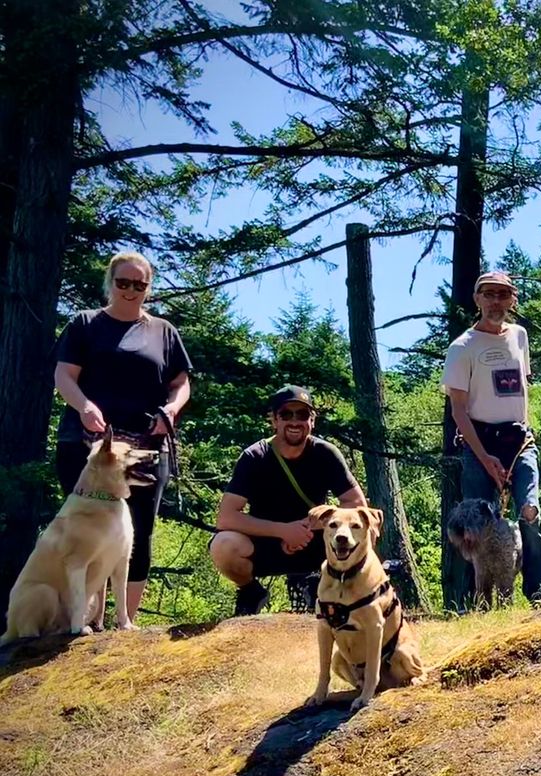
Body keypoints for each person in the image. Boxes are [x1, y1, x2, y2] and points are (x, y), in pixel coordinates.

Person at [53, 250, 192, 628]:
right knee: (85, 528)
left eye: (140, 284)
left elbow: (181, 383)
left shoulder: (164, 332)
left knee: (138, 529)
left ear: (148, 288)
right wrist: (84, 406)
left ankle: (124, 623)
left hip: (145, 449)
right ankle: (85, 618)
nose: (131, 290)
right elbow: (64, 376)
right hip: (86, 446)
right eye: (124, 282)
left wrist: (171, 410)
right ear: (110, 283)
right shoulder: (85, 324)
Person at [441, 271, 541, 607]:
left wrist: (525, 430)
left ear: (512, 300)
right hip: (479, 441)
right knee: (476, 526)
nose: (496, 302)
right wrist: (485, 457)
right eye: (488, 294)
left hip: (519, 440)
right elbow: (458, 412)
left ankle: (540, 591)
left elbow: (521, 388)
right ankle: (474, 600)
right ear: (477, 299)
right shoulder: (462, 348)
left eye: (503, 295)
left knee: (529, 509)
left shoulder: (519, 336)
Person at [209, 385, 366, 615]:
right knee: (223, 545)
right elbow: (226, 517)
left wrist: (311, 525)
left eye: (302, 415)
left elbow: (357, 505)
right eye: (286, 414)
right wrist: (283, 531)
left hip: (316, 542)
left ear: (312, 421)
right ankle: (250, 591)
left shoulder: (326, 454)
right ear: (274, 420)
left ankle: (328, 587)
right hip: (266, 543)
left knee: (364, 529)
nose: (295, 422)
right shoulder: (254, 457)